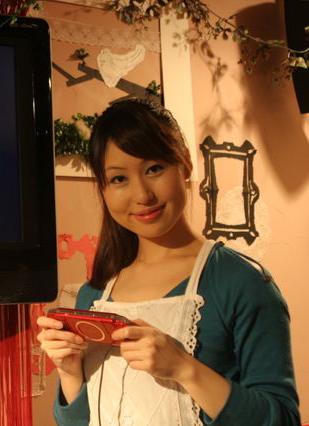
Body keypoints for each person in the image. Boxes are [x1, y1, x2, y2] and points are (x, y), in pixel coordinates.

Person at [37, 99, 300, 425]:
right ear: (103, 189)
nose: (142, 195)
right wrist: (69, 371)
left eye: (154, 169)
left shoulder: (243, 283)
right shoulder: (94, 294)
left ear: (185, 164)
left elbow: (282, 418)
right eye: (119, 179)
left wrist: (183, 367)